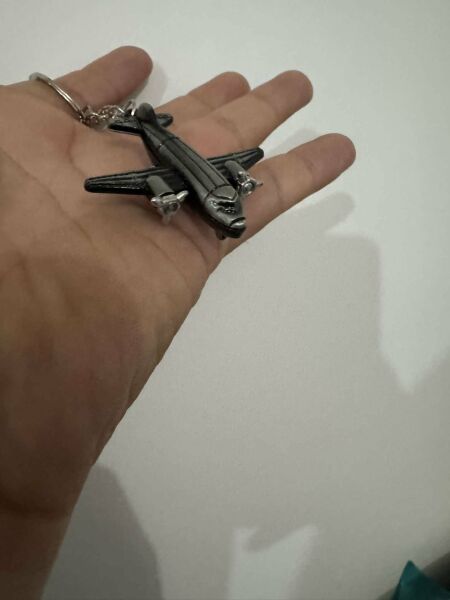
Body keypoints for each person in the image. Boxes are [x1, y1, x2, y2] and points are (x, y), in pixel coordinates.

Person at [0, 46, 355, 598]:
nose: (231, 222)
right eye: (227, 214)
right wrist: (167, 194)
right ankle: (142, 125)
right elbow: (113, 184)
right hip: (170, 155)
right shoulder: (198, 183)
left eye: (229, 212)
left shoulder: (220, 187)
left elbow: (247, 158)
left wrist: (227, 181)